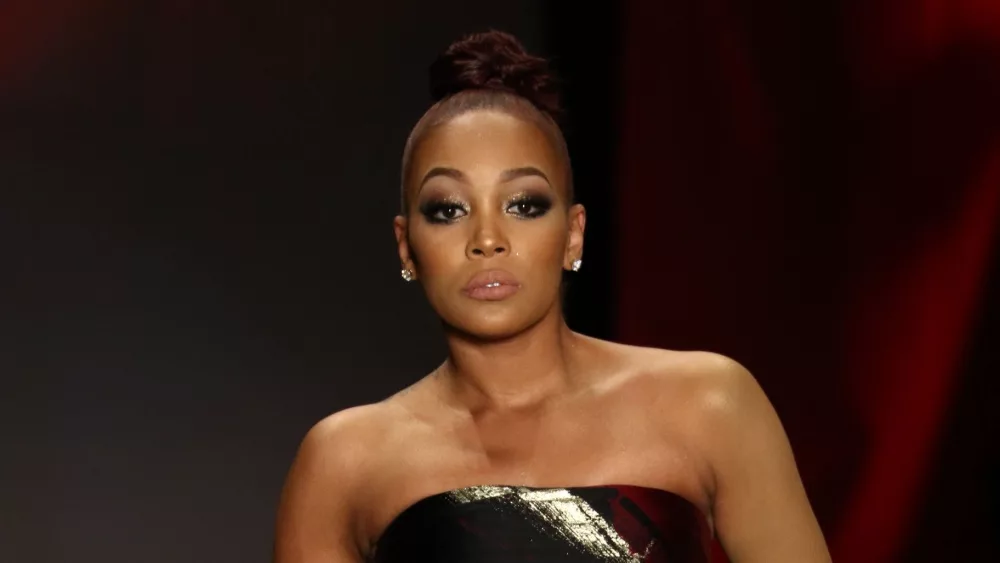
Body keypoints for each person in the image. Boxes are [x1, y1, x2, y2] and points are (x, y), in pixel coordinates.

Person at [274, 30, 831, 563]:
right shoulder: (344, 461)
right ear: (406, 247)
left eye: (523, 205)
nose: (487, 239)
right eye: (448, 209)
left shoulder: (710, 406)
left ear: (573, 234)